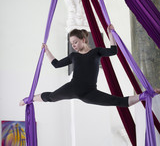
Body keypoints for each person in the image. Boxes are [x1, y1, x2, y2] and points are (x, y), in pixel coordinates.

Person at [19, 24, 160, 107]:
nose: (73, 45)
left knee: (117, 101)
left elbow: (113, 51)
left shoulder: (96, 52)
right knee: (51, 97)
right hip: (72, 88)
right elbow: (56, 64)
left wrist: (111, 33)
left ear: (84, 39)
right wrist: (46, 51)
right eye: (71, 43)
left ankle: (144, 95)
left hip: (89, 93)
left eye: (75, 42)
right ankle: (29, 99)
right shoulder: (73, 56)